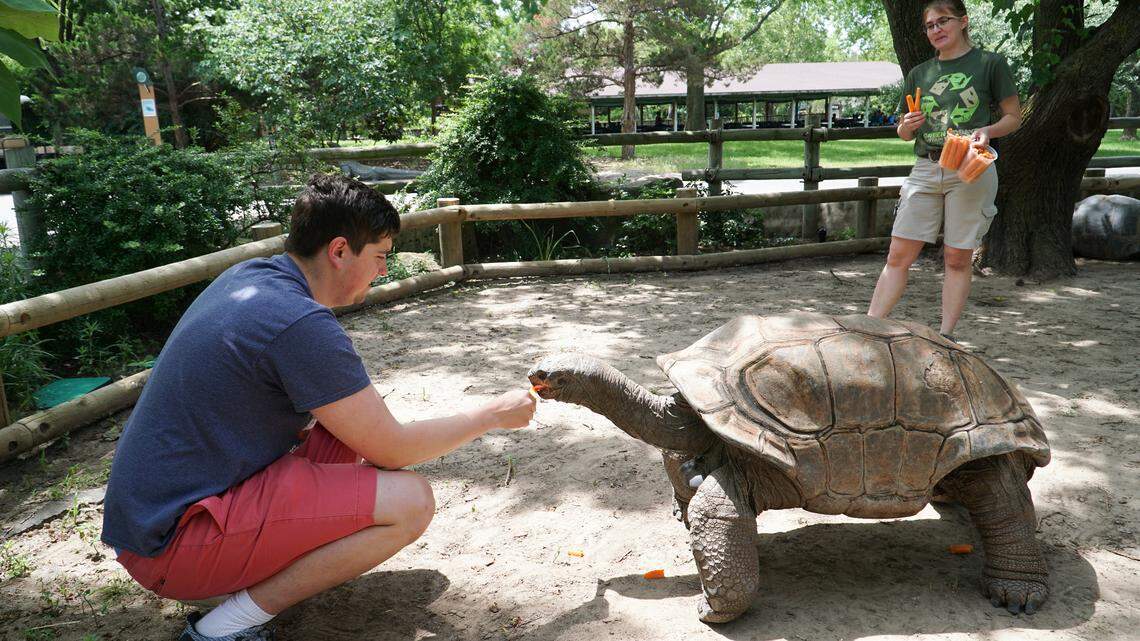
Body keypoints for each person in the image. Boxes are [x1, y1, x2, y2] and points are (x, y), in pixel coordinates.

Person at [101, 174, 537, 641]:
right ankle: (223, 628)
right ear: (340, 250)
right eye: (380, 258)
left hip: (153, 518)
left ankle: (240, 573)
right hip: (169, 548)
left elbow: (367, 433)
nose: (383, 272)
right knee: (411, 502)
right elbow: (393, 450)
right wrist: (492, 415)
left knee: (343, 430)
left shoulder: (250, 278)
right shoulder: (299, 322)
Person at [867, 0, 1020, 341]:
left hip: (969, 164)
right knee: (898, 253)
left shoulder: (989, 63)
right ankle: (870, 327)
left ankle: (945, 335)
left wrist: (988, 132)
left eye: (943, 21)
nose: (936, 29)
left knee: (956, 257)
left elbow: (1013, 116)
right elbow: (904, 133)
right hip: (926, 166)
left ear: (963, 21)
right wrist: (907, 124)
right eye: (930, 25)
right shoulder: (920, 74)